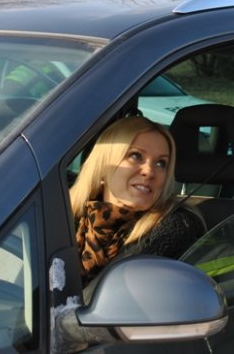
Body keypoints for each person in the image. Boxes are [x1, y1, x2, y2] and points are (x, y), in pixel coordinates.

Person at [69, 115, 205, 284]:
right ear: (103, 166)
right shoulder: (56, 219)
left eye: (161, 163)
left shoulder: (178, 232)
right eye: (135, 156)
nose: (149, 171)